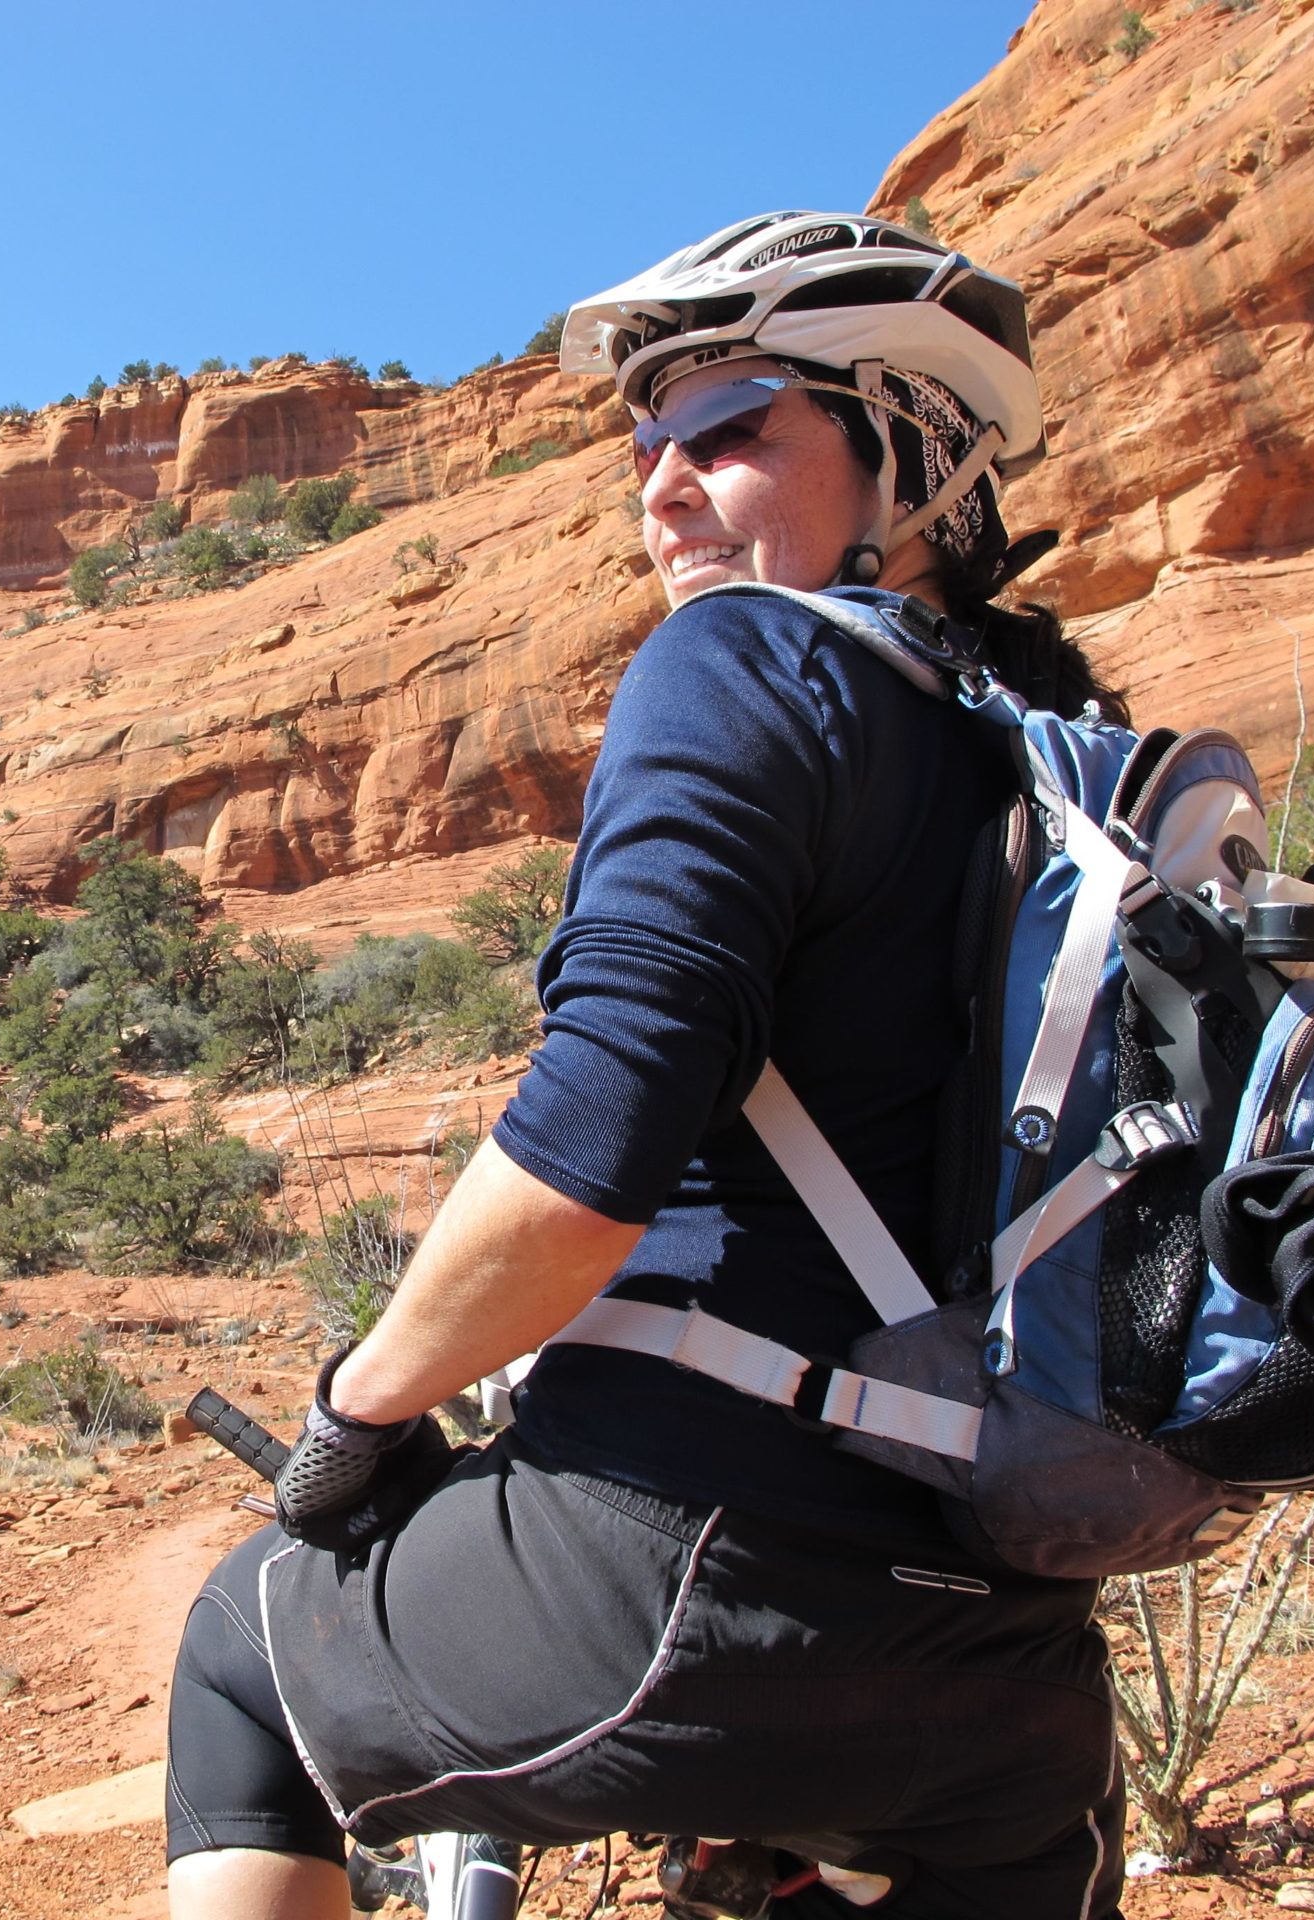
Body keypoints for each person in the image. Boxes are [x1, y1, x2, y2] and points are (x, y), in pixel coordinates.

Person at [165, 212, 1132, 1920]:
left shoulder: (741, 660)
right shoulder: (1065, 768)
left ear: (906, 444)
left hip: (694, 1568)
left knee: (242, 1659)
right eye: (650, 445)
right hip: (1015, 1675)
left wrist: (355, 1411)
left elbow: (588, 1156)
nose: (664, 486)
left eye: (736, 426)